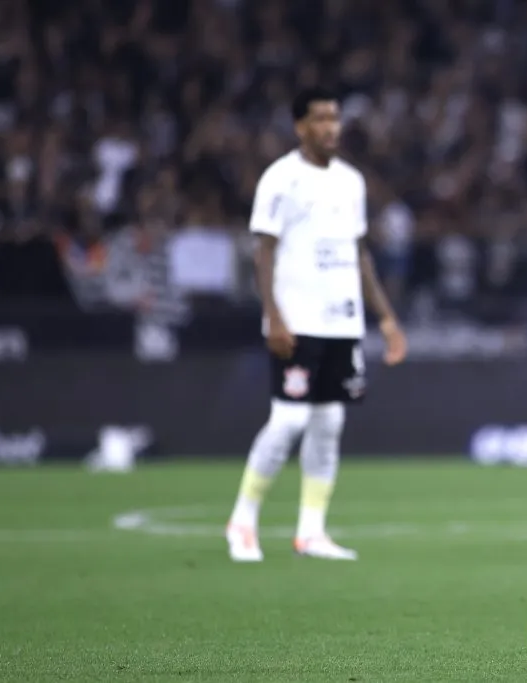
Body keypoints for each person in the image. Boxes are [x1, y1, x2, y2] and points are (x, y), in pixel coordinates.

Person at [225, 87, 408, 563]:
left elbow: (358, 253)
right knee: (288, 420)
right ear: (300, 126)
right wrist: (274, 315)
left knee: (329, 422)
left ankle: (311, 531)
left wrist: (385, 318)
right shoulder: (280, 179)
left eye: (335, 117)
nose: (331, 126)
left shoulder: (351, 181)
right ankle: (242, 522)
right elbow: (261, 251)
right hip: (297, 321)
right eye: (320, 118)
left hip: (342, 323)